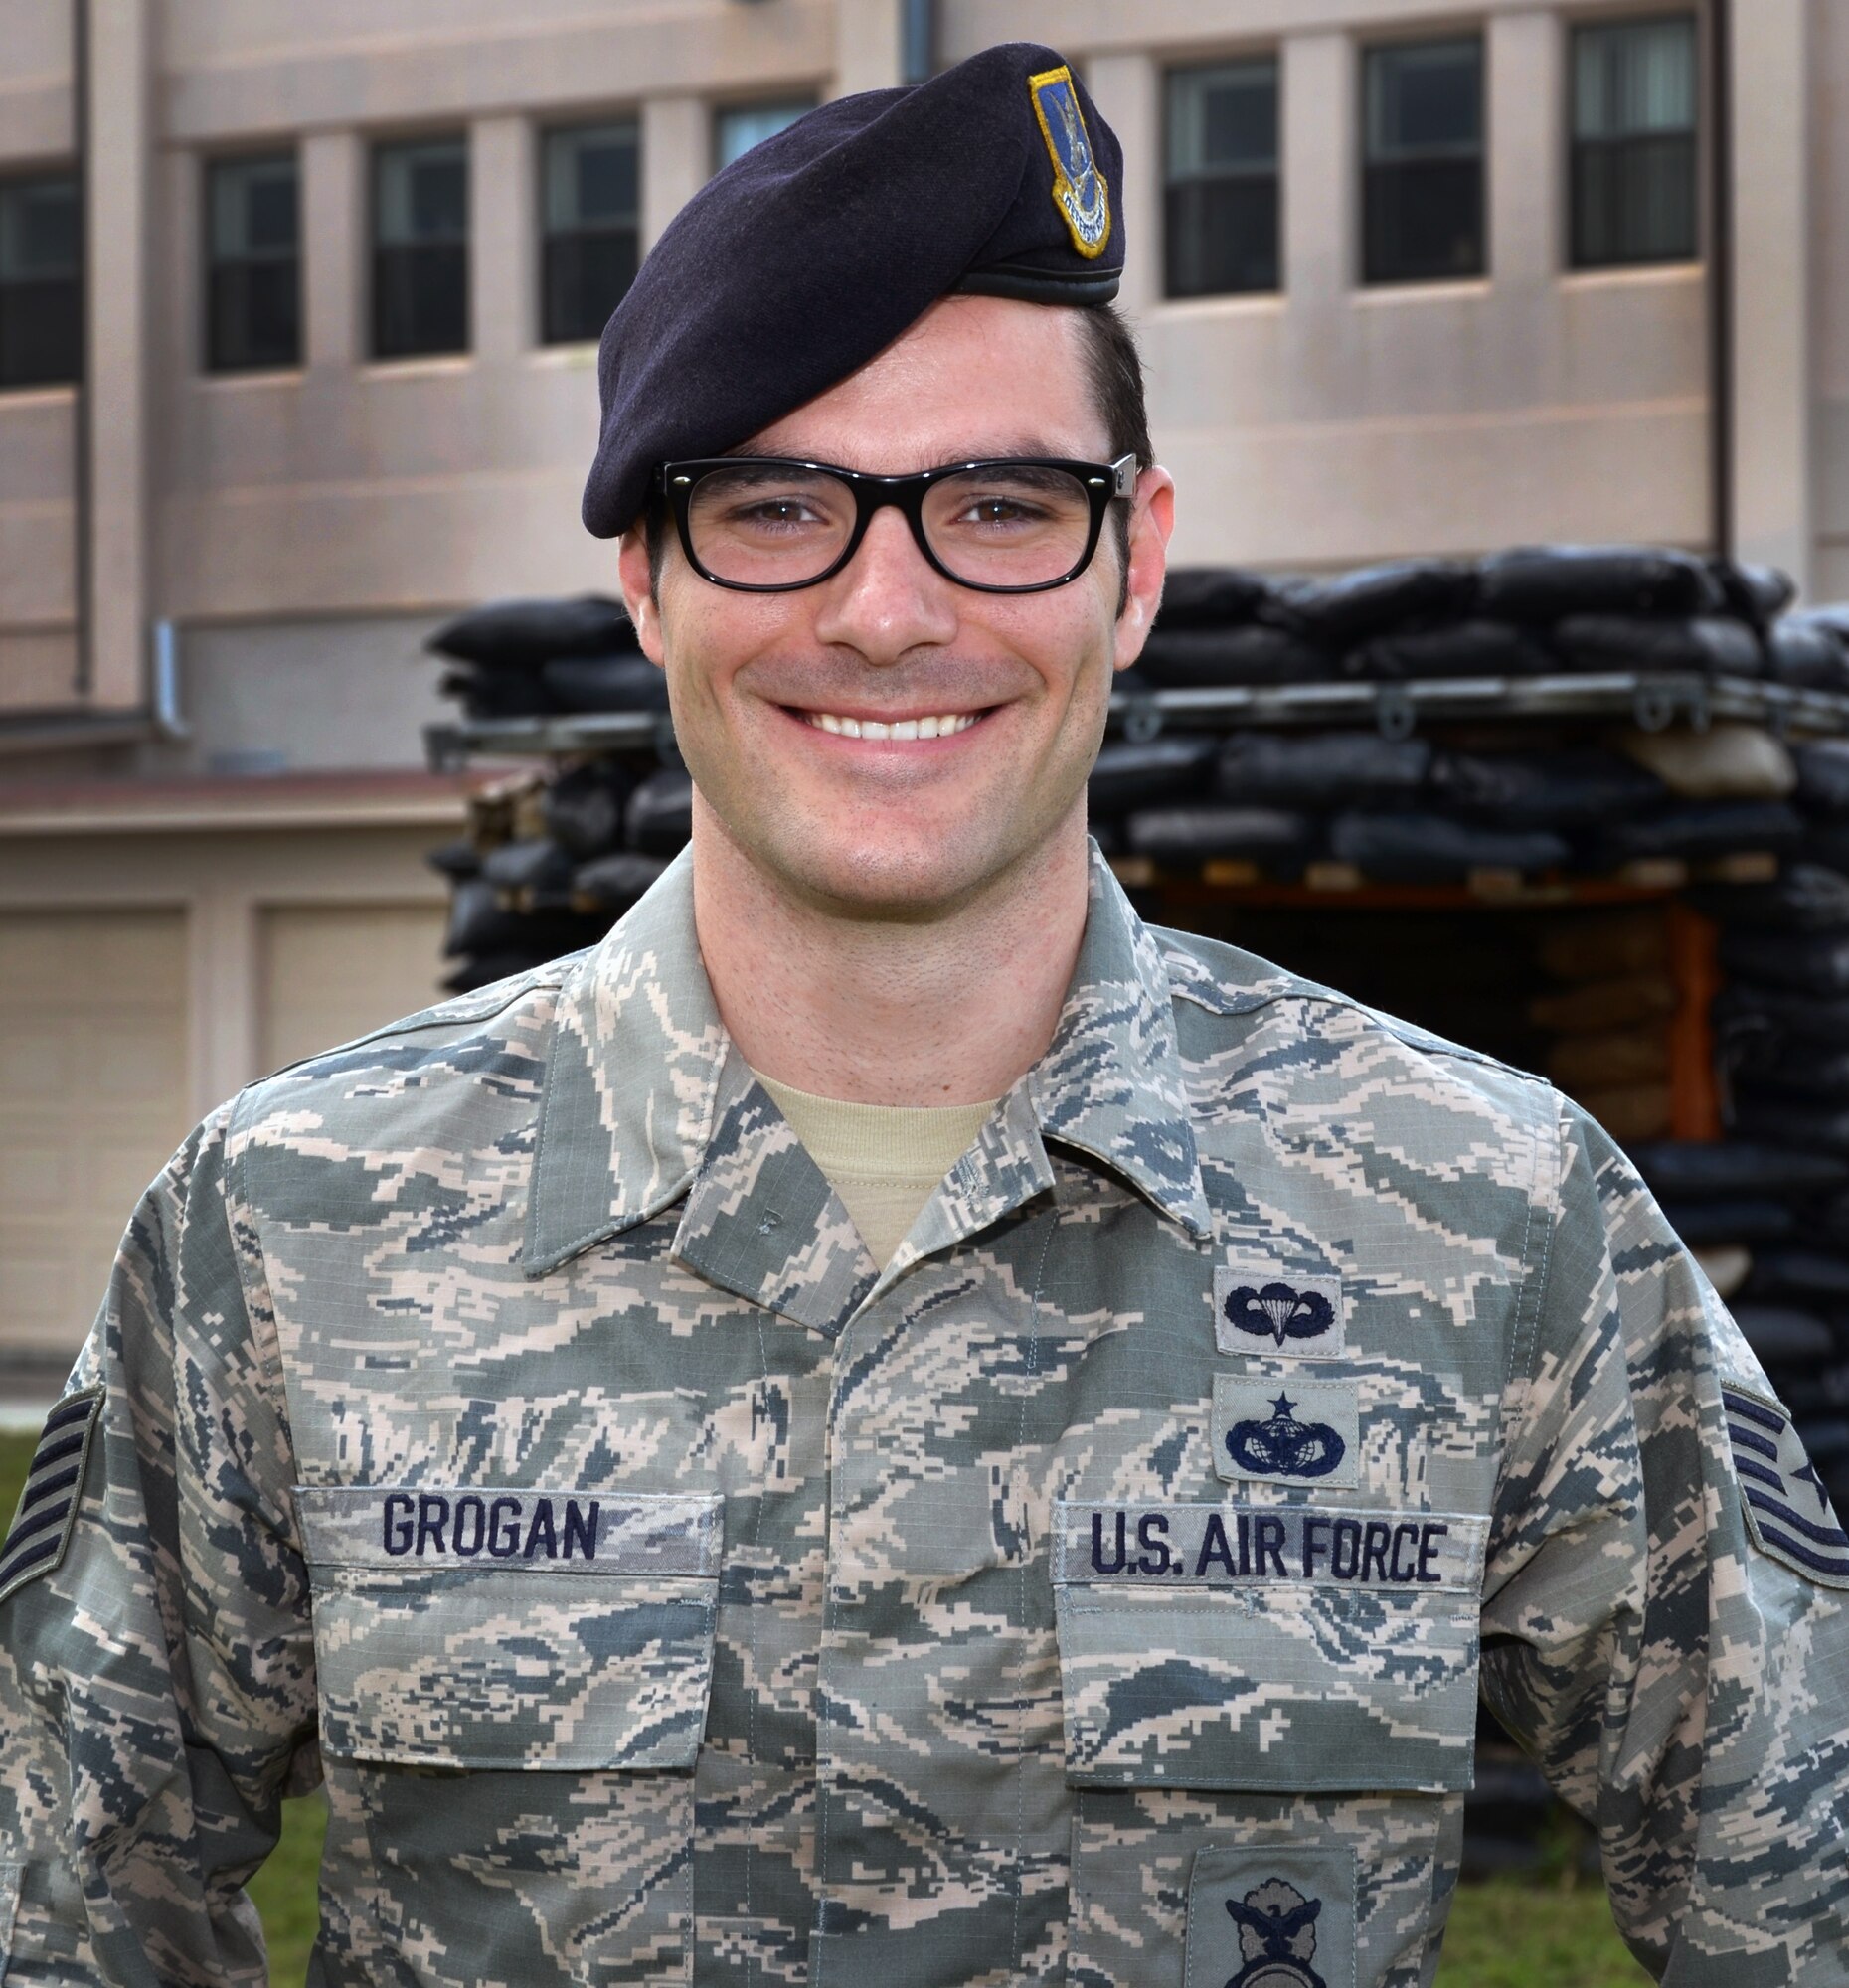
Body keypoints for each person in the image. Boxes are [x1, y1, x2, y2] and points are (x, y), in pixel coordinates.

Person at [2, 39, 1845, 1988]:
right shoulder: (286, 1224)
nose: (887, 612)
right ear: (647, 579)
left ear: (1135, 563)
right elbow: (68, 1923)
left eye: (1000, 502)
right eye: (776, 506)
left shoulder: (1490, 1211)